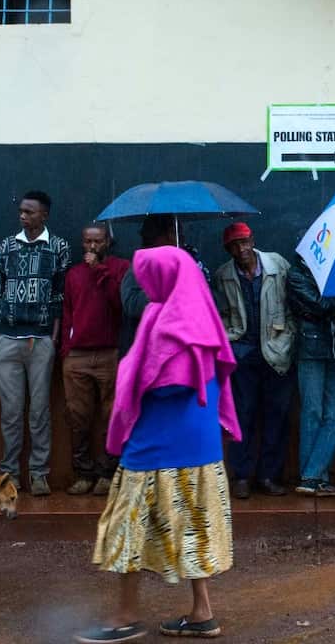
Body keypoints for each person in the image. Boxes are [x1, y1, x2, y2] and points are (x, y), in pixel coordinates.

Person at [79, 246, 240, 644]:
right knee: (192, 524)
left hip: (157, 444)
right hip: (199, 445)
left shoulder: (165, 318)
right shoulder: (203, 314)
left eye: (146, 274)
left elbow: (168, 382)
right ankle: (201, 612)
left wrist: (130, 384)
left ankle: (126, 616)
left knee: (127, 526)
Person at [0, 190, 72, 495]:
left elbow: (61, 295)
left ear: (44, 216)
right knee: (11, 413)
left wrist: (52, 337)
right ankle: (9, 474)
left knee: (39, 411)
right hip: (7, 340)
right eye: (21, 211)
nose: (23, 216)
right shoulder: (7, 246)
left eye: (29, 212)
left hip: (39, 341)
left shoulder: (59, 247)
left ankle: (39, 472)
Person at [213, 222, 296, 499]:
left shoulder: (277, 265)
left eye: (245, 242)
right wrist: (230, 343)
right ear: (228, 250)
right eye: (236, 245)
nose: (242, 249)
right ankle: (242, 477)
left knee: (277, 415)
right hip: (243, 353)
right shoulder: (223, 275)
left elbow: (291, 304)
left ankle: (269, 475)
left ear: (253, 240)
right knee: (241, 415)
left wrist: (288, 339)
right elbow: (219, 314)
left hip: (276, 350)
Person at [62, 222, 130, 496]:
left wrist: (99, 271)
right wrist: (66, 350)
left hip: (109, 352)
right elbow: (67, 311)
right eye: (87, 242)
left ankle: (107, 472)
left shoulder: (120, 268)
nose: (91, 247)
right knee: (78, 417)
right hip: (77, 355)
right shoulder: (74, 274)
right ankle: (83, 473)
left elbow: (120, 305)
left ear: (107, 243)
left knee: (111, 416)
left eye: (97, 242)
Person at [286, 253, 335, 495]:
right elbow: (322, 306)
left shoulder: (325, 276)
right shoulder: (296, 275)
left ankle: (313, 475)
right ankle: (313, 477)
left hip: (329, 349)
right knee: (312, 412)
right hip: (309, 348)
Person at [119, 214, 178, 356]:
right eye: (176, 233)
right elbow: (131, 304)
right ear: (167, 235)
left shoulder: (184, 262)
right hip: (148, 352)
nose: (180, 238)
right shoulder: (140, 265)